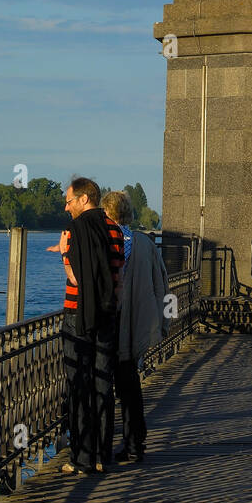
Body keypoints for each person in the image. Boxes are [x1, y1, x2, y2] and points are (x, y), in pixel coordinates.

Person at [56, 177, 123, 476]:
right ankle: (102, 454)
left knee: (78, 382)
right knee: (102, 382)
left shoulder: (72, 230)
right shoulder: (115, 230)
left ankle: (80, 457)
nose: (67, 206)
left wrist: (63, 255)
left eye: (69, 201)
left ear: (85, 199)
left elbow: (74, 279)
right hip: (107, 314)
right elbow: (117, 278)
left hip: (76, 314)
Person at [101, 190, 170, 464]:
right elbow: (162, 283)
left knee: (103, 385)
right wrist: (161, 323)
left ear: (107, 214)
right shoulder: (144, 243)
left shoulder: (105, 241)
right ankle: (134, 442)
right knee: (130, 385)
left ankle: (100, 445)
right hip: (136, 325)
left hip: (109, 322)